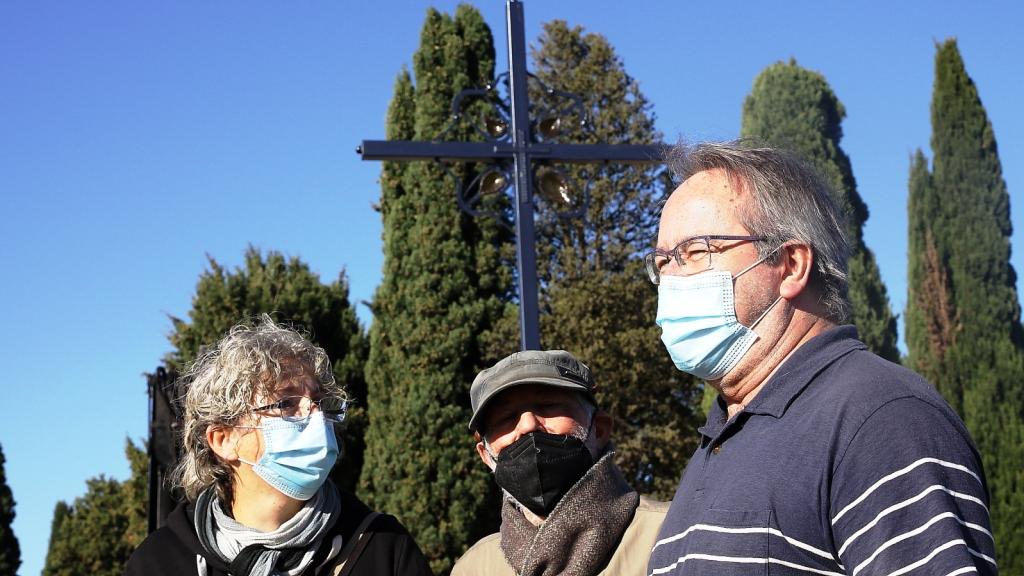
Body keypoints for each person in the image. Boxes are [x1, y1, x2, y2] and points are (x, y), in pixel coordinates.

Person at [643, 141, 997, 575]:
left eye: (695, 251)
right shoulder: (721, 437)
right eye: (661, 262)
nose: (671, 279)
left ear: (791, 264)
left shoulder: (882, 418)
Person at [125, 315, 432, 576]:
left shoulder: (382, 548)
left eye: (319, 403)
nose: (315, 417)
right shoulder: (158, 563)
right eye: (285, 403)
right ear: (224, 440)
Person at [452, 349, 669, 576]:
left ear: (600, 429)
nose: (528, 426)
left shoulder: (670, 535)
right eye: (506, 419)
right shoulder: (474, 568)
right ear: (486, 456)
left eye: (548, 406)